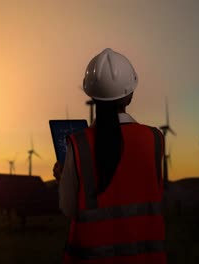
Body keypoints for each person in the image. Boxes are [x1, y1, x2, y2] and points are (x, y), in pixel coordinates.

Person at [53, 48, 167, 263]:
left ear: (92, 95)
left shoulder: (78, 144)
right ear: (130, 94)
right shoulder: (155, 138)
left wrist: (63, 179)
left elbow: (68, 209)